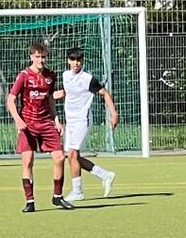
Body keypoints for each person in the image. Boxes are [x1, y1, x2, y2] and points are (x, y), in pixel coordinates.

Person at [7, 41, 68, 213]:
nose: (41, 60)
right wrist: (17, 120)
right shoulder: (24, 75)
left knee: (59, 157)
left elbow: (50, 99)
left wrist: (56, 120)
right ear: (31, 57)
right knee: (27, 161)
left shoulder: (50, 75)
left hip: (46, 122)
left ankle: (57, 196)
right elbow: (11, 100)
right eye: (38, 57)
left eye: (43, 57)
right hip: (28, 124)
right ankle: (30, 201)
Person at [59, 46, 118, 201]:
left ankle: (77, 192)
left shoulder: (88, 79)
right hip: (70, 121)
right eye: (73, 59)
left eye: (79, 60)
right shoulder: (65, 76)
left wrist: (114, 114)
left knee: (72, 153)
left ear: (82, 61)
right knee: (72, 156)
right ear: (68, 61)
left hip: (82, 120)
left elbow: (105, 94)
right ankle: (105, 175)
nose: (76, 63)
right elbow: (66, 92)